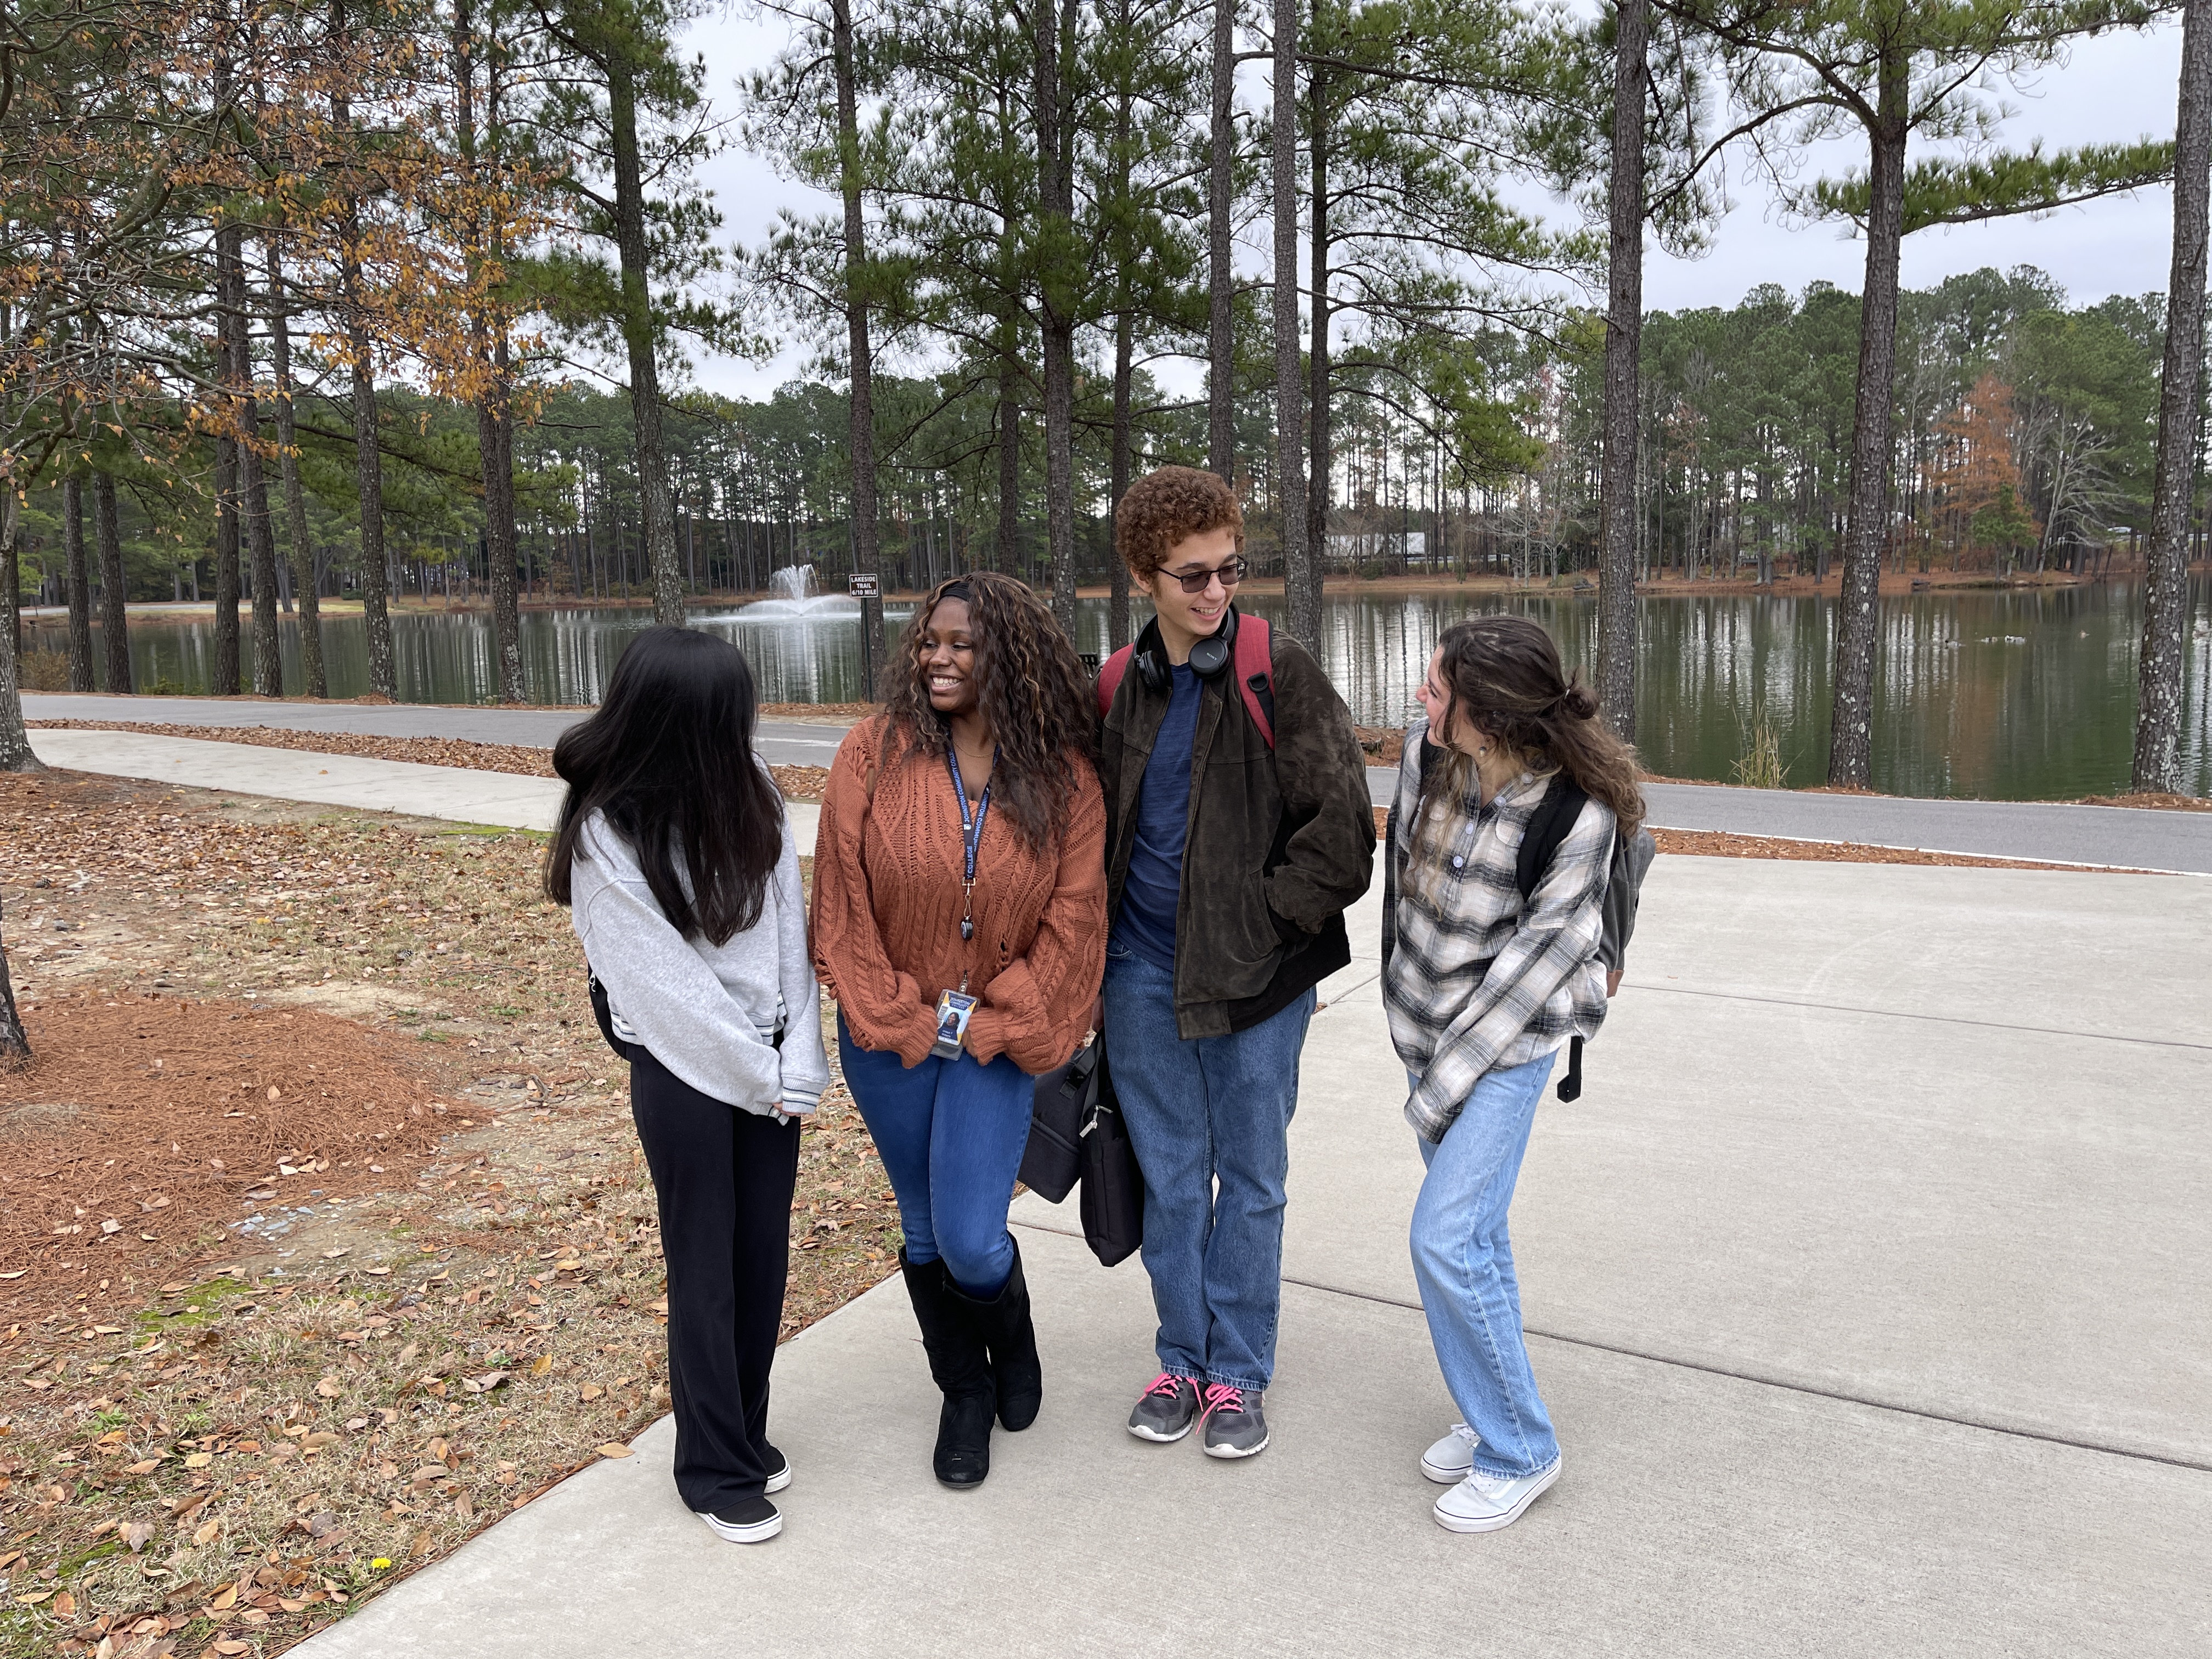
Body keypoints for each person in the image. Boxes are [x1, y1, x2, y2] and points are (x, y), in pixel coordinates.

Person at [1097, 465, 1375, 1459]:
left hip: (1259, 984)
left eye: (1229, 570)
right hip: (1138, 979)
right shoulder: (1115, 686)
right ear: (1145, 577)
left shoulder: (1277, 670)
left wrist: (1262, 927)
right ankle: (1181, 1357)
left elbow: (1342, 833)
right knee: (1172, 1182)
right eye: (1192, 576)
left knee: (1252, 1179)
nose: (1215, 591)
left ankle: (1239, 1374)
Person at [811, 572, 1105, 1489]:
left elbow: (1077, 917)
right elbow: (840, 899)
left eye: (963, 645)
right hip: (889, 1036)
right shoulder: (872, 752)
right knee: (923, 1227)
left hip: (998, 1039)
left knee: (973, 1238)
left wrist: (1004, 1015)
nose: (937, 658)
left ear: (1010, 658)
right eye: (930, 641)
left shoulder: (1064, 778)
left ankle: (1012, 1343)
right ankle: (963, 1393)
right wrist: (900, 1013)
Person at [543, 626, 828, 1546]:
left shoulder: (753, 788)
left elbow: (789, 929)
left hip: (768, 1070)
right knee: (706, 1267)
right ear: (682, 719)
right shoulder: (605, 832)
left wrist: (801, 1054)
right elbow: (664, 989)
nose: (747, 728)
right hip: (685, 1071)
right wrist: (761, 1075)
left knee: (761, 1260)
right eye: (731, 714)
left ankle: (741, 1428)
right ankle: (711, 1469)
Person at [1380, 614, 1646, 1534]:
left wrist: (1438, 1091)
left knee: (1444, 1239)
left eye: (1438, 689)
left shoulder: (1579, 816)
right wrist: (1401, 1016)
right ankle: (1489, 1409)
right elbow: (1401, 886)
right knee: (1479, 1243)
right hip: (1422, 1032)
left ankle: (1522, 1449)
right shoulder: (1427, 757)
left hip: (1505, 1048)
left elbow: (1536, 967)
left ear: (1487, 712)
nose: (1422, 699)